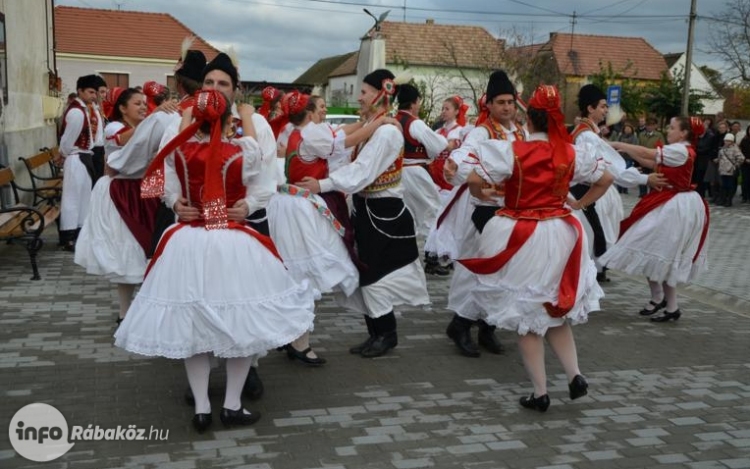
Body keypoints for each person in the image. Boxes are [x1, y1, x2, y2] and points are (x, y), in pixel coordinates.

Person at [114, 89, 316, 433]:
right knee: (240, 324)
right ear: (227, 120)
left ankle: (203, 408)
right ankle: (232, 405)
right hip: (231, 242)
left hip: (188, 242)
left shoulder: (178, 150)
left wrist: (177, 202)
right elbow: (266, 181)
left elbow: (167, 188)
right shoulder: (242, 150)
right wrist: (248, 119)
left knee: (193, 323)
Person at [457, 84, 613, 411]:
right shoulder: (570, 152)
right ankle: (574, 375)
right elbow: (606, 178)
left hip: (523, 232)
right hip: (562, 232)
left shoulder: (513, 150)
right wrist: (580, 203)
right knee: (554, 308)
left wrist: (481, 192)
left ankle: (540, 392)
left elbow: (472, 174)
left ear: (530, 119)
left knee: (528, 314)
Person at [297, 68, 430, 358]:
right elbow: (341, 152)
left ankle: (387, 333)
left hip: (384, 211)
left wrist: (323, 184)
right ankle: (376, 332)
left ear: (381, 94)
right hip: (368, 209)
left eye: (364, 92)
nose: (359, 97)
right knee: (366, 272)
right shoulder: (372, 126)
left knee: (375, 275)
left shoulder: (386, 132)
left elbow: (362, 171)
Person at [268, 91, 398, 365]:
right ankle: (299, 342)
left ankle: (292, 336)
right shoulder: (312, 133)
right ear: (310, 112)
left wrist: (368, 120)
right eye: (319, 109)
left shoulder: (293, 130)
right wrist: (379, 122)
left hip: (290, 204)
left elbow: (339, 133)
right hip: (304, 207)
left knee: (298, 274)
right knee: (308, 275)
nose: (324, 113)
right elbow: (346, 140)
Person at [442, 70, 527, 358]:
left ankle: (487, 326)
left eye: (510, 102)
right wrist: (466, 174)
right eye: (501, 102)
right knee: (481, 269)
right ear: (488, 104)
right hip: (486, 209)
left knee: (504, 271)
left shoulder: (521, 133)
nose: (507, 107)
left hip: (513, 209)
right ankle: (461, 324)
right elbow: (463, 158)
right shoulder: (481, 132)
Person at [604, 117, 710, 322]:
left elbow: (647, 153)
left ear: (684, 133)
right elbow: (651, 161)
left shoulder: (681, 150)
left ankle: (670, 305)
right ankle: (662, 300)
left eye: (672, 127)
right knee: (651, 248)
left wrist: (616, 144)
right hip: (666, 202)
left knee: (659, 251)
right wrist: (626, 151)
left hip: (675, 206)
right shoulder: (676, 150)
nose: (668, 131)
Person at [74, 87, 151, 324]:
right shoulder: (114, 128)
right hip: (121, 193)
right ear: (122, 108)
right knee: (126, 250)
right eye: (137, 103)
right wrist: (155, 122)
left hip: (144, 192)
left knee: (145, 250)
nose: (143, 107)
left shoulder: (145, 127)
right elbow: (127, 141)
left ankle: (144, 306)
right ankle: (124, 311)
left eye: (145, 103)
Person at [394, 83, 449, 241]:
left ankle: (411, 248)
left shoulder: (393, 120)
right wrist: (450, 144)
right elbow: (437, 145)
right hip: (416, 173)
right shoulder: (414, 123)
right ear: (413, 103)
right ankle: (430, 253)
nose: (419, 105)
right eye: (418, 102)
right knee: (431, 210)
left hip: (397, 173)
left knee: (409, 212)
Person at [58, 74, 106, 252]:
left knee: (84, 197)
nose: (94, 96)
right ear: (80, 91)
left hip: (85, 156)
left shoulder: (87, 109)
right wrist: (63, 154)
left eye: (95, 92)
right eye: (91, 92)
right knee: (72, 198)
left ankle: (79, 232)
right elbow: (67, 141)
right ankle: (68, 237)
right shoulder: (77, 112)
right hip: (75, 156)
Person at [715, 133, 745, 206]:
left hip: (730, 170)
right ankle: (723, 199)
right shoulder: (722, 149)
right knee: (723, 185)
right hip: (722, 170)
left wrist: (735, 165)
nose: (727, 142)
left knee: (729, 185)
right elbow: (720, 157)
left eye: (729, 141)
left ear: (732, 141)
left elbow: (741, 158)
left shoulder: (735, 149)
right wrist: (718, 160)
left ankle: (729, 200)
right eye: (726, 140)